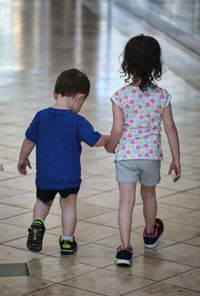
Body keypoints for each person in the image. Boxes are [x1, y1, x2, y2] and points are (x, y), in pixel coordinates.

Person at [106, 34, 181, 266]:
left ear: (127, 64)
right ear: (156, 64)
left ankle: (125, 249)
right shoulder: (162, 96)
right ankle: (150, 233)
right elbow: (170, 128)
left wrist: (111, 144)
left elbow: (117, 129)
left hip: (127, 156)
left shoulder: (120, 96)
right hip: (151, 156)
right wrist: (176, 159)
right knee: (149, 195)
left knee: (126, 202)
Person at [17, 68, 109, 255]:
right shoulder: (78, 121)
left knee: (43, 202)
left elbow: (29, 140)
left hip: (46, 175)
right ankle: (67, 241)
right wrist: (109, 139)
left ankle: (37, 223)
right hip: (69, 176)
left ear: (54, 93)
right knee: (68, 206)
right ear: (80, 98)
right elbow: (96, 140)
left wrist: (22, 158)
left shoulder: (41, 116)